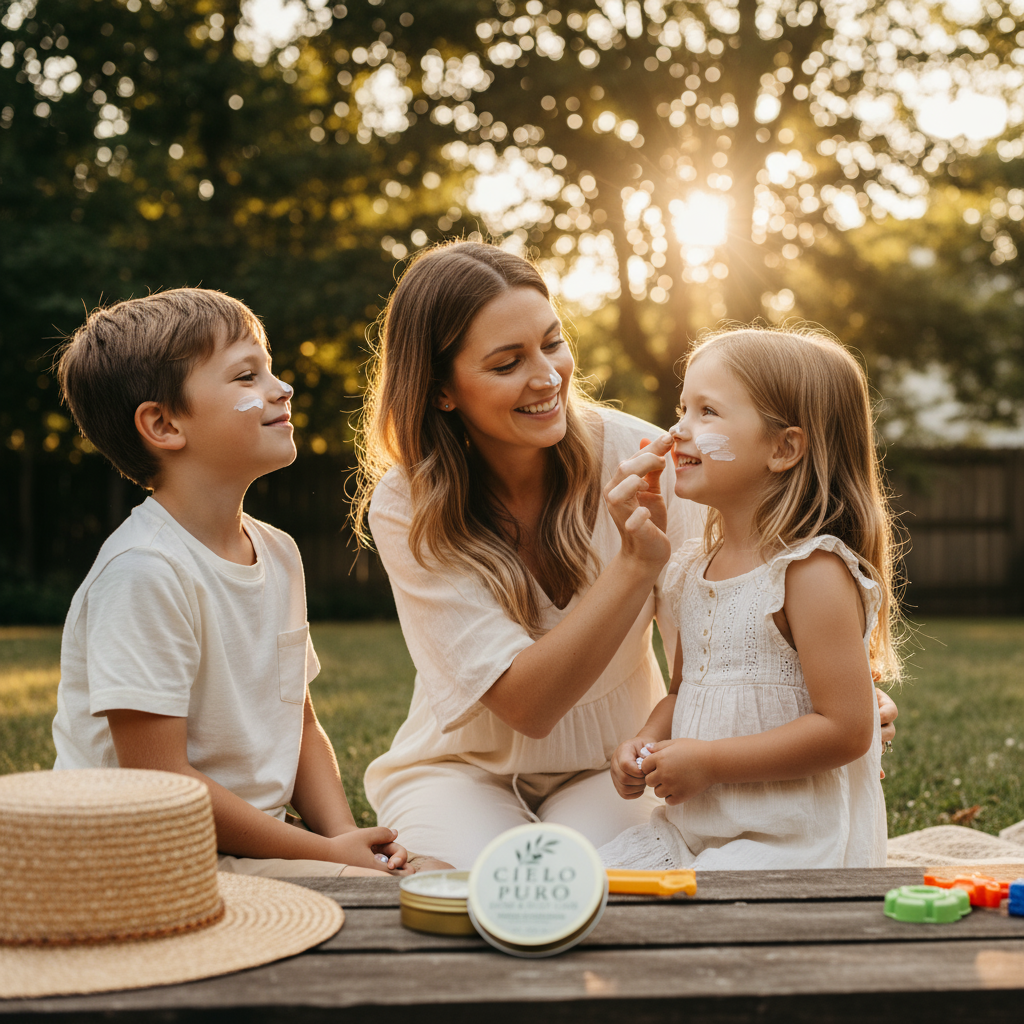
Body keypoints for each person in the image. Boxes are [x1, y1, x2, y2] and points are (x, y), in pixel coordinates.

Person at [353, 242, 898, 869]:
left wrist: (834, 700)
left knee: (593, 885)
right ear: (443, 390)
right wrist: (636, 566)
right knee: (485, 890)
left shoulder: (653, 459)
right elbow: (527, 706)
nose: (547, 377)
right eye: (508, 363)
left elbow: (719, 646)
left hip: (613, 766)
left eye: (552, 343)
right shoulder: (408, 503)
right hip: (459, 767)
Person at [52, 288, 407, 878]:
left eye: (270, 369)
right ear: (163, 424)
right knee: (411, 901)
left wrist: (345, 837)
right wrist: (326, 857)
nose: (282, 388)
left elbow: (299, 723)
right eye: (247, 377)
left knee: (431, 878)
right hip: (148, 857)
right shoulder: (145, 572)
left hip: (249, 846)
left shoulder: (278, 553)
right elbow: (159, 783)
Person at [600, 327, 901, 870]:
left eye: (707, 412)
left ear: (784, 448)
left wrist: (712, 762)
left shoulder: (811, 573)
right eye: (682, 407)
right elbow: (683, 693)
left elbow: (848, 729)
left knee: (676, 920)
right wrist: (644, 743)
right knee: (590, 881)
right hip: (691, 832)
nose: (676, 431)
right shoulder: (690, 569)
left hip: (790, 842)